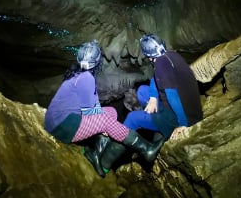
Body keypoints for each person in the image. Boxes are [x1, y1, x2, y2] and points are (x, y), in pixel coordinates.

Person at [44, 39, 163, 177]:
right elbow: (90, 111)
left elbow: (91, 106)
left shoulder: (77, 73)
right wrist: (105, 126)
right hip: (63, 127)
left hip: (57, 121)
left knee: (111, 112)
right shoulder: (86, 78)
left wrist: (102, 121)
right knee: (106, 121)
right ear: (97, 61)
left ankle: (96, 153)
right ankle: (146, 148)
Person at [98, 33, 204, 173]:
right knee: (142, 91)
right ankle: (154, 122)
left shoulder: (160, 65)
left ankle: (105, 163)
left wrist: (183, 124)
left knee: (132, 118)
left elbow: (173, 98)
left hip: (182, 116)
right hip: (189, 107)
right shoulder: (169, 56)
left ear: (148, 56)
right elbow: (156, 77)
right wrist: (153, 98)